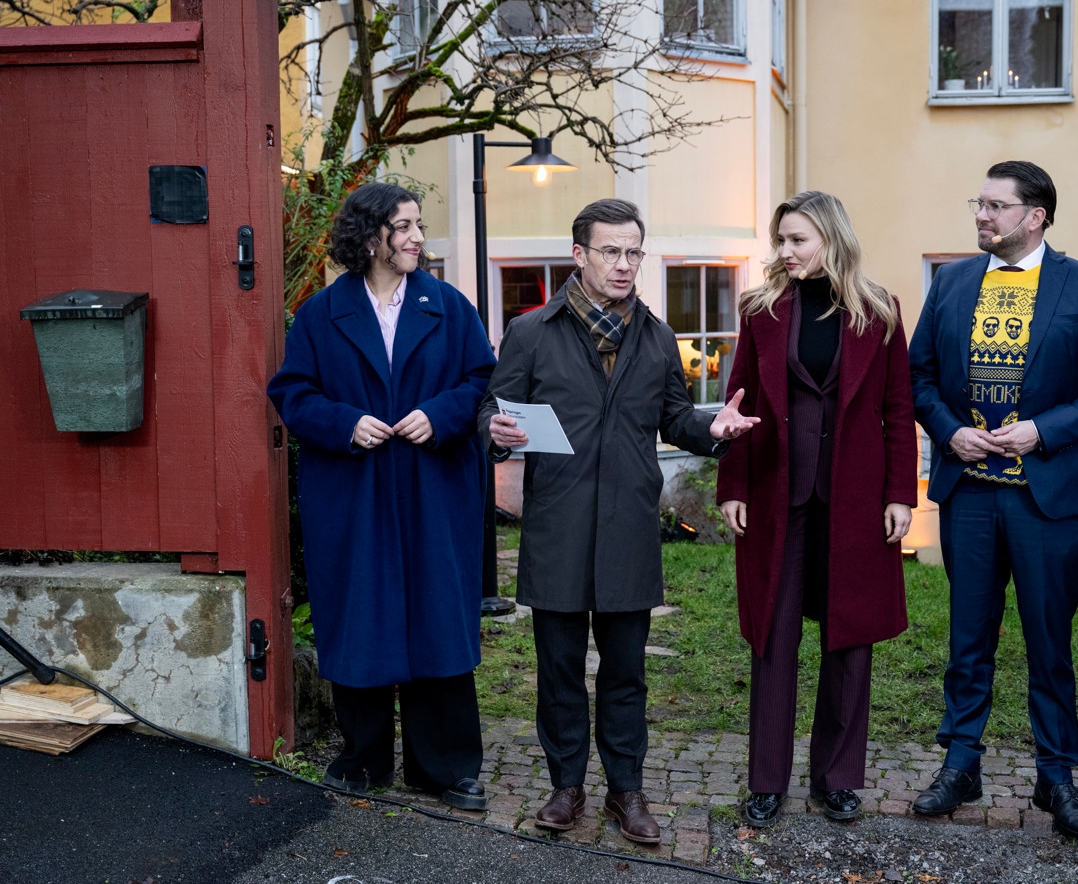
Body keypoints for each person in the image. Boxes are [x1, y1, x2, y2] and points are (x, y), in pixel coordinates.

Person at [477, 198, 757, 843]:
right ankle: (566, 787)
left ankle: (626, 794)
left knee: (627, 672)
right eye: (612, 251)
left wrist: (712, 429)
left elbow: (675, 417)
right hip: (558, 526)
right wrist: (491, 428)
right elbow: (493, 408)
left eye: (634, 251)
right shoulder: (530, 332)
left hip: (630, 527)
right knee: (559, 669)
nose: (625, 264)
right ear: (580, 255)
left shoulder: (658, 337)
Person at [907, 161, 1078, 839]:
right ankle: (961, 764)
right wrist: (949, 432)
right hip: (970, 496)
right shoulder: (951, 282)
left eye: (996, 206)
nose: (981, 215)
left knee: (1049, 642)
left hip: (1048, 499)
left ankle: (1057, 777)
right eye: (978, 204)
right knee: (967, 640)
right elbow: (919, 376)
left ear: (1035, 216)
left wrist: (1042, 431)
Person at [268, 182, 496, 811]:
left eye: (419, 225)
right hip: (355, 492)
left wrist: (440, 414)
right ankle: (363, 759)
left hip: (432, 488)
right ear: (371, 236)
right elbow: (292, 393)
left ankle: (444, 768)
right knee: (361, 620)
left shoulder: (449, 307)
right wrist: (344, 423)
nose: (417, 237)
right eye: (405, 227)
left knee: (438, 620)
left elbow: (481, 379)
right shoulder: (321, 313)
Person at [715, 191, 917, 828]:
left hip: (855, 502)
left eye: (796, 240)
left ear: (830, 238)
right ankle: (767, 781)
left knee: (849, 641)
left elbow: (897, 411)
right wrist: (733, 487)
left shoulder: (879, 312)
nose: (785, 252)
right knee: (773, 639)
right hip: (778, 495)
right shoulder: (762, 309)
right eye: (781, 240)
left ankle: (837, 779)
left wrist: (899, 495)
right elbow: (737, 404)